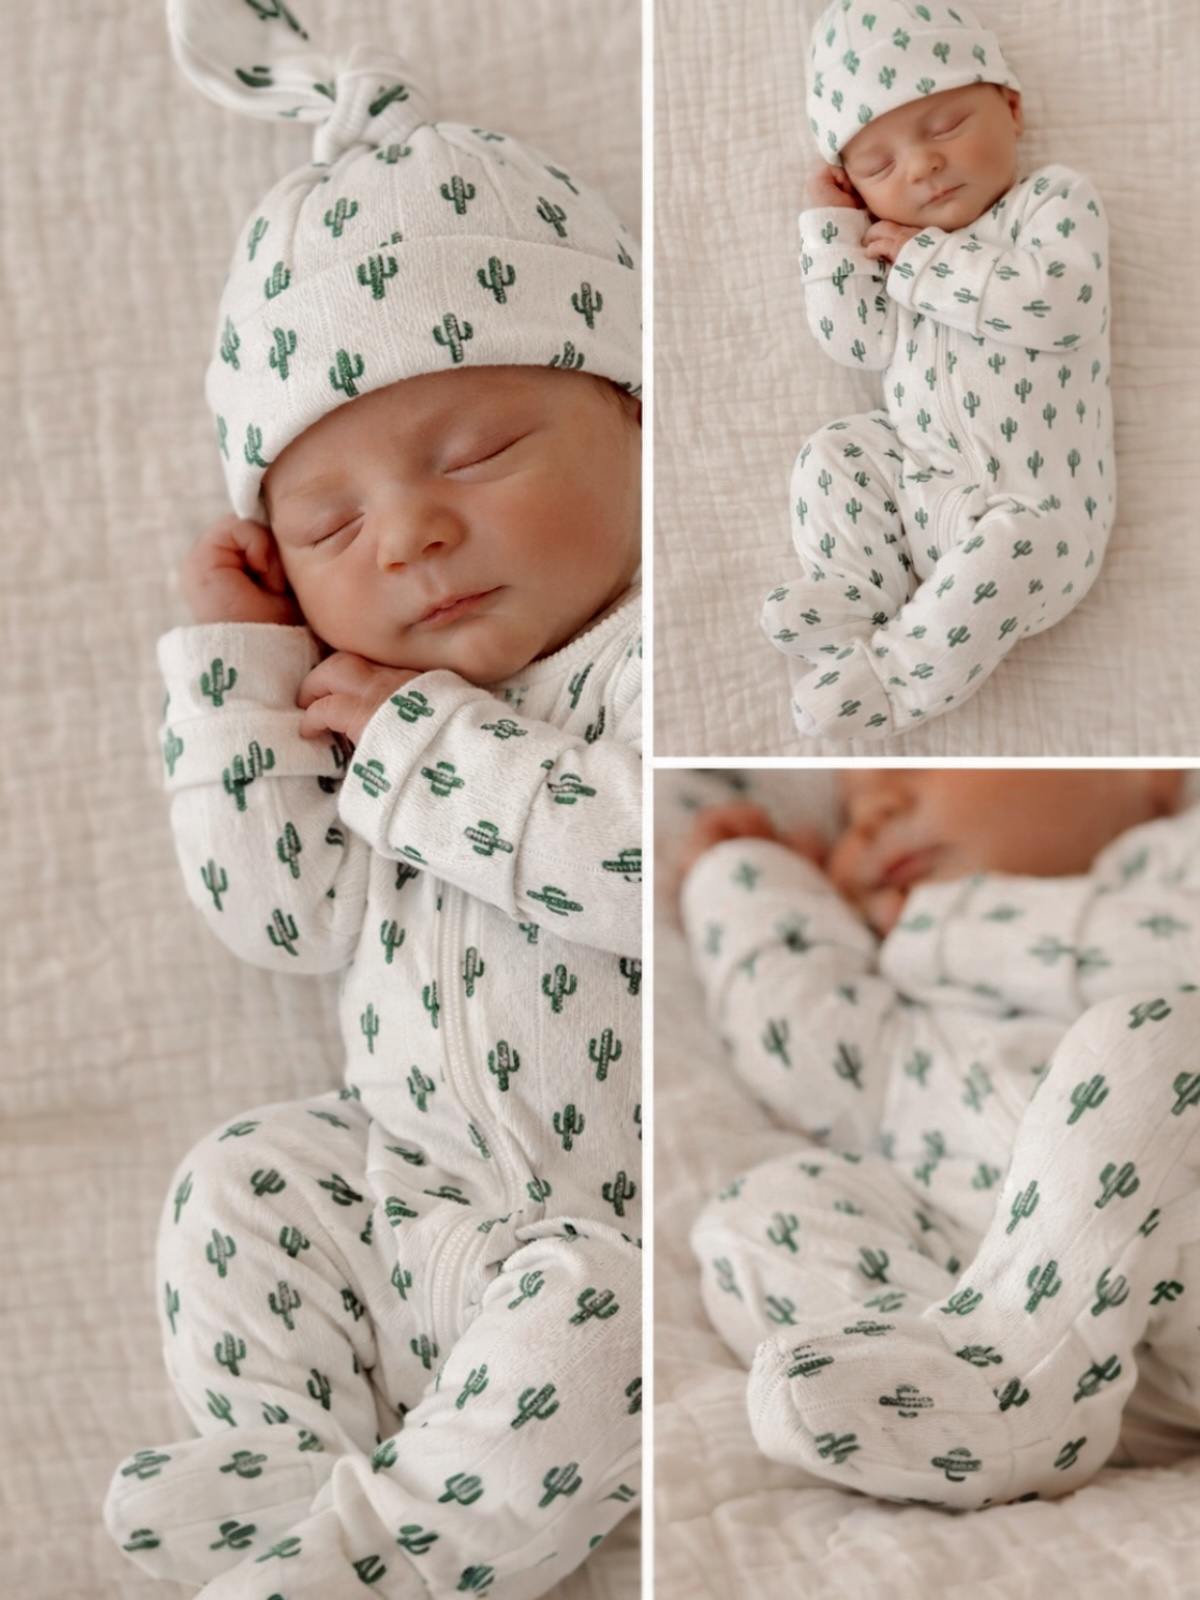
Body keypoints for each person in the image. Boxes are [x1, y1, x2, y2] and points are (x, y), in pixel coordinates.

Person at [102, 3, 642, 1596]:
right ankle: (300, 1481)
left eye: (475, 453)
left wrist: (435, 755)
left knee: (598, 1311)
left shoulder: (648, 665)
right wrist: (240, 674)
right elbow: (282, 920)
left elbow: (622, 861)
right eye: (327, 525)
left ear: (633, 417)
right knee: (242, 1185)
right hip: (406, 1208)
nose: (405, 536)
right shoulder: (352, 714)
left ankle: (387, 1557)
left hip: (591, 1238)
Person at [681, 771, 1200, 1507]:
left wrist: (954, 927)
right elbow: (806, 1057)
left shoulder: (1169, 856)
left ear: (1144, 772)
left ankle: (1015, 1381)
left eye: (907, 775)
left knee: (1150, 1040)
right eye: (849, 816)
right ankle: (968, 1409)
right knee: (754, 1217)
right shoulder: (904, 1020)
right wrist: (748, 884)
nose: (873, 817)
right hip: (1112, 1384)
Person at [763, 0, 1115, 739]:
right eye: (880, 164)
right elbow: (855, 343)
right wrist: (832, 233)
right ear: (856, 185)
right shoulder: (894, 253)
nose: (922, 166)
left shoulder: (1048, 204)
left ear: (1010, 107)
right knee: (838, 449)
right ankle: (858, 594)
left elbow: (1062, 304)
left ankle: (895, 678)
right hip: (927, 491)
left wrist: (925, 261)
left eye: (946, 127)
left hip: (1040, 522)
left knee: (1016, 541)